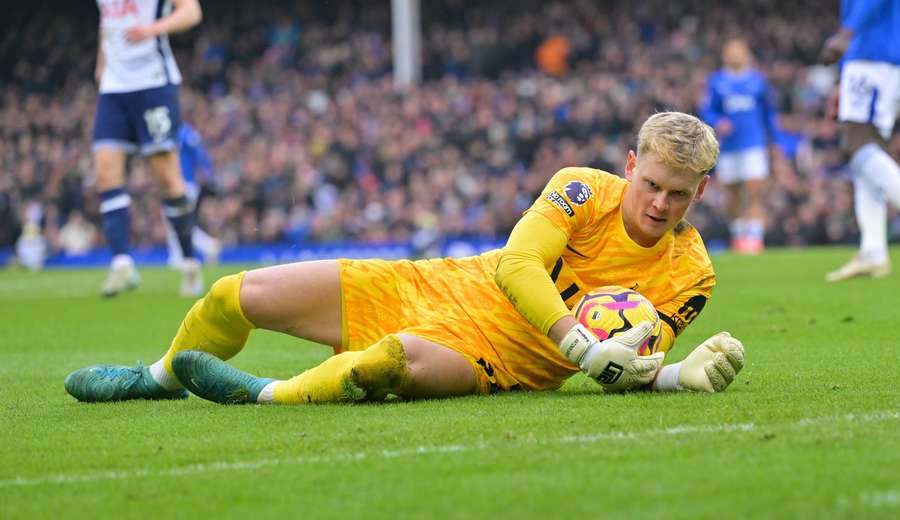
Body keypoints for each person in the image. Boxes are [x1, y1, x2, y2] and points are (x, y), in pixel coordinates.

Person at [64, 112, 745, 405]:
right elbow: (515, 266)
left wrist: (678, 375)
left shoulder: (692, 275)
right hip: (437, 284)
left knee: (384, 363)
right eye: (650, 184)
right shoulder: (581, 188)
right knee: (235, 293)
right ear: (631, 166)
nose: (658, 203)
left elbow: (626, 365)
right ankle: (155, 378)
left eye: (677, 195)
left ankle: (263, 396)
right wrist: (578, 341)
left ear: (701, 192)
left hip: (497, 364)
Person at [91, 0, 204, 297]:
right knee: (106, 170)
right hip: (114, 88)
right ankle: (122, 263)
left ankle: (189, 262)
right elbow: (108, 22)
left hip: (154, 84)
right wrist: (101, 63)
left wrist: (153, 29)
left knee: (167, 178)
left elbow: (190, 10)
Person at [821, 0, 900, 282]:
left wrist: (846, 33)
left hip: (874, 53)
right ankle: (873, 250)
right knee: (867, 149)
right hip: (872, 56)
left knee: (855, 144)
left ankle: (872, 249)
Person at [702, 38, 780, 254]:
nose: (735, 55)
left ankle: (755, 238)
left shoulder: (758, 81)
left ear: (746, 54)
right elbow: (707, 110)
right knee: (733, 193)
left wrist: (774, 141)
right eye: (731, 51)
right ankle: (738, 235)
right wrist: (718, 122)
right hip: (728, 148)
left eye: (739, 51)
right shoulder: (716, 82)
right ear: (725, 55)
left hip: (753, 144)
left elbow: (768, 114)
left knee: (755, 191)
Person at [164, 122, 222, 269]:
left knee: (176, 220)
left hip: (184, 183)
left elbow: (200, 154)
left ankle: (180, 257)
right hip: (181, 182)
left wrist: (207, 174)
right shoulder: (182, 130)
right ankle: (206, 247)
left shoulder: (182, 131)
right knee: (174, 221)